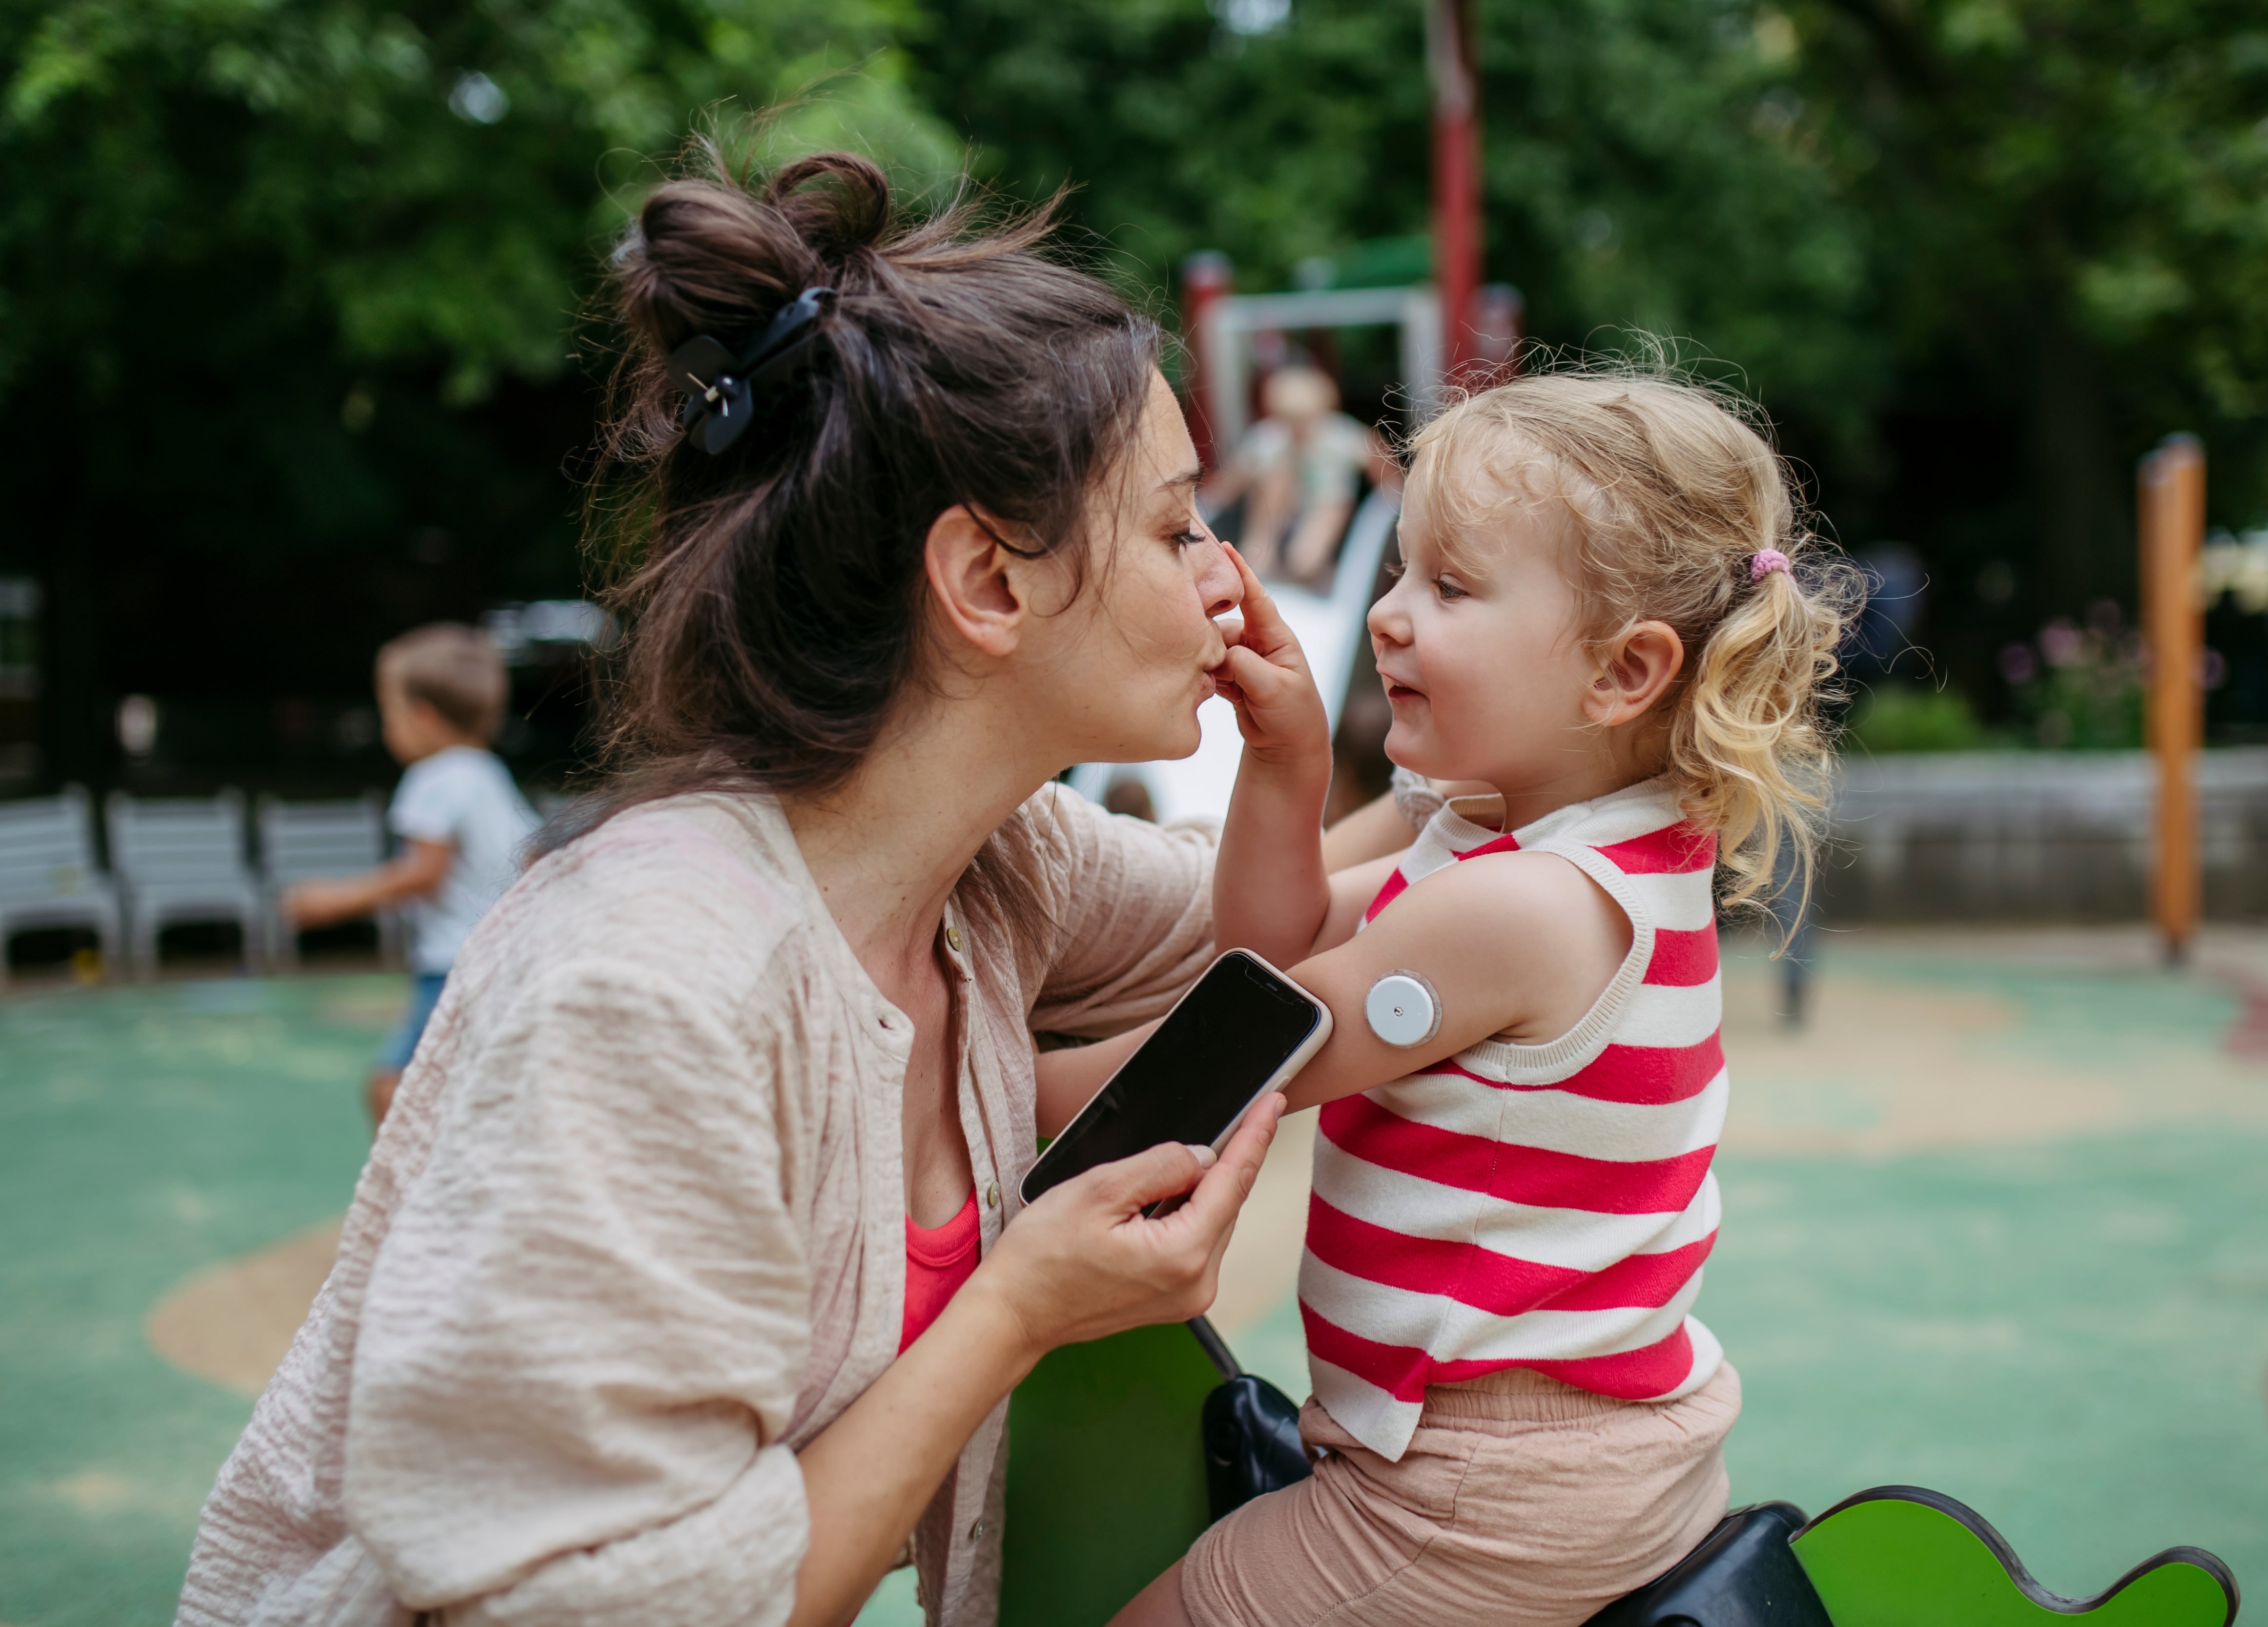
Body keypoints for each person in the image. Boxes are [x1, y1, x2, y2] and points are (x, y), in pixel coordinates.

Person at [176, 151, 1336, 1627]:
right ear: (985, 582)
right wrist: (1017, 1309)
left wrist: (1471, 759)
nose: (1224, 579)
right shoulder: (649, 983)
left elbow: (1292, 924)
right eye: (1176, 528)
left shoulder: (987, 870)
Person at [1066, 370, 1861, 1627]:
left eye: (1449, 587)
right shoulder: (1530, 825)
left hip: (1475, 1491)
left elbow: (1226, 1064)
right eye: (1398, 574)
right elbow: (1270, 950)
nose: (1387, 617)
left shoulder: (1530, 906)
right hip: (1570, 1449)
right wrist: (1284, 766)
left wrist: (948, 1081)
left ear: (1623, 671)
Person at [282, 623, 540, 1124]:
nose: (388, 728)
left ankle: (405, 1198)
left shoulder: (433, 778)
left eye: (390, 713)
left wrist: (334, 900)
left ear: (422, 717)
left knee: (390, 1085)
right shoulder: (489, 774)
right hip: (504, 958)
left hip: (451, 965)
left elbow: (424, 871)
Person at [1198, 365, 1396, 589]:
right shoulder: (1268, 437)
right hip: (1280, 509)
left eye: (1305, 420)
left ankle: (1307, 561)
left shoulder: (1340, 434)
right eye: (1289, 420)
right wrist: (1204, 507)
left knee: (1311, 546)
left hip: (1326, 505)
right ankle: (1262, 553)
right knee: (1275, 478)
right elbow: (1232, 482)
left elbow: (1384, 467)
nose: (1297, 429)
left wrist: (1390, 505)